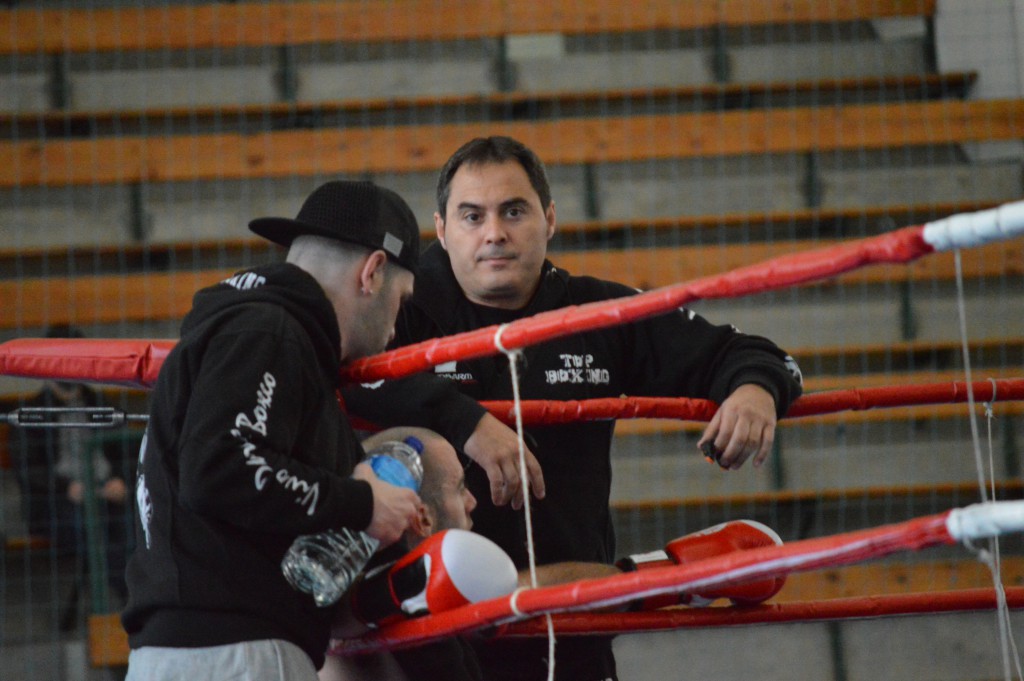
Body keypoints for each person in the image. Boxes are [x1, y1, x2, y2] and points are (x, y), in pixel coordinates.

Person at [343, 136, 804, 680]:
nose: (494, 233)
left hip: (573, 635)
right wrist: (467, 421)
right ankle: (664, 577)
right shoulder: (402, 305)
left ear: (550, 219)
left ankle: (656, 578)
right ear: (442, 230)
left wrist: (755, 389)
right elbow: (344, 375)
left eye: (514, 211)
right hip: (425, 642)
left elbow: (754, 353)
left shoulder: (591, 311)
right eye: (472, 216)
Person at [122, 180, 425, 681]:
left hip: (204, 647)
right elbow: (222, 466)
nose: (397, 325)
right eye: (403, 299)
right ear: (373, 272)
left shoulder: (267, 335)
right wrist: (363, 503)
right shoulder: (269, 331)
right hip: (233, 653)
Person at [318, 426, 620, 681]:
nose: (472, 501)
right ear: (422, 519)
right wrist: (640, 578)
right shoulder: (409, 594)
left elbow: (517, 589)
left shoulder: (350, 589)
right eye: (459, 488)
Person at [9, 324, 135, 628]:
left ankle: (128, 607)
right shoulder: (31, 411)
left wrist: (122, 480)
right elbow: (28, 468)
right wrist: (67, 487)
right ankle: (131, 605)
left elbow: (126, 452)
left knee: (139, 521)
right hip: (60, 503)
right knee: (92, 527)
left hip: (108, 495)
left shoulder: (101, 404)